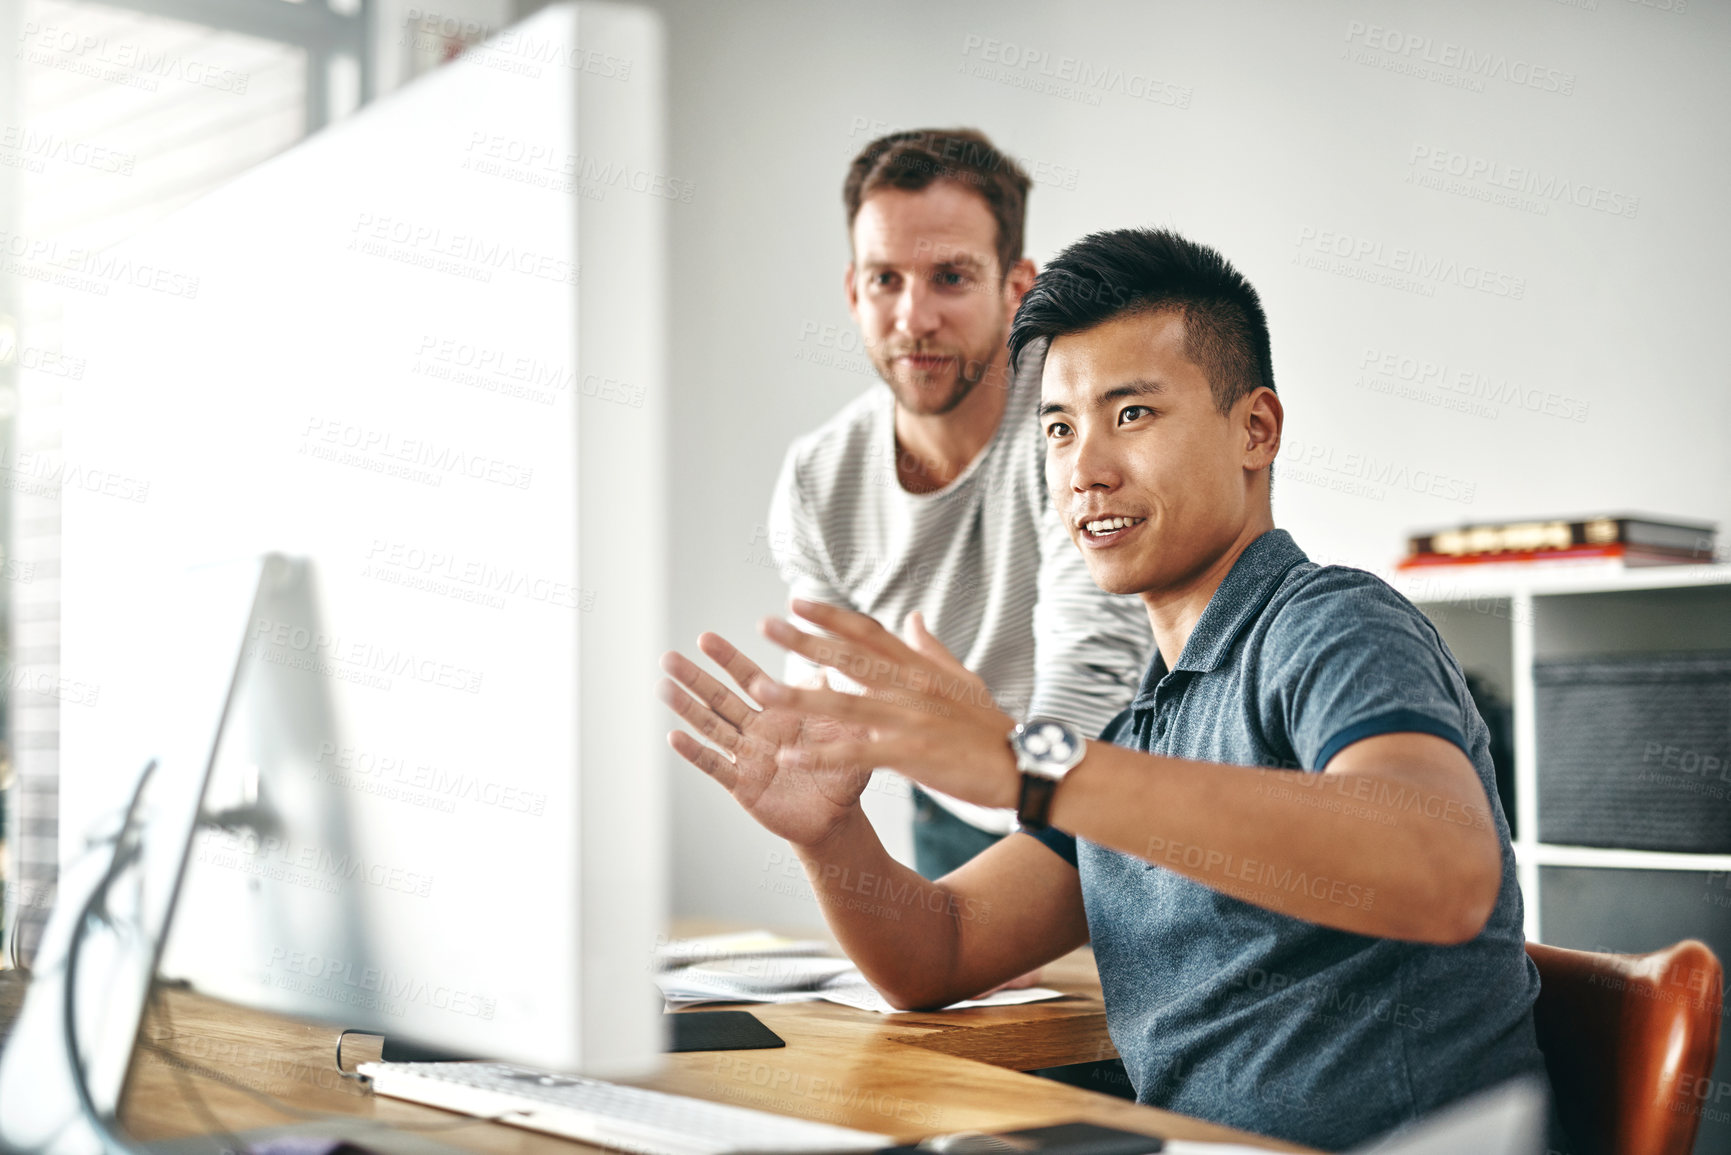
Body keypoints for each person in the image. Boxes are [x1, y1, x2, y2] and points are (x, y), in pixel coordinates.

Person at [658, 228, 1557, 1152]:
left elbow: (1438, 874)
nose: (1084, 469)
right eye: (1057, 428)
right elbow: (942, 948)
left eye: (1130, 415)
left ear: (1256, 429)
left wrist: (1028, 759)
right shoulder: (1142, 728)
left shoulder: (1334, 625)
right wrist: (829, 831)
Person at [745, 128, 1150, 879]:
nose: (913, 318)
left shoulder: (1073, 429)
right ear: (852, 289)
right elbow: (828, 709)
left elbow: (1088, 692)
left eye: (950, 278)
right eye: (885, 280)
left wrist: (999, 770)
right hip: (954, 809)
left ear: (1016, 285)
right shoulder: (817, 478)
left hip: (1116, 796)